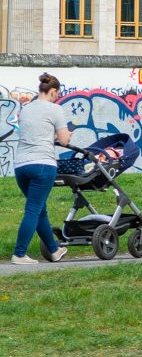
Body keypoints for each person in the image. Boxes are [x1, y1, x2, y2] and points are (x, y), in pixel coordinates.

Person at [12, 73, 73, 265]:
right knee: (33, 209)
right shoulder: (55, 110)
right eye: (57, 94)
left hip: (21, 166)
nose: (57, 97)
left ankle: (54, 250)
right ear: (53, 91)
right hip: (43, 165)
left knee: (39, 210)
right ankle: (19, 254)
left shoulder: (26, 108)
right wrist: (67, 135)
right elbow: (63, 140)